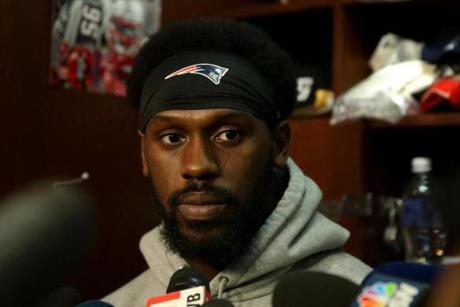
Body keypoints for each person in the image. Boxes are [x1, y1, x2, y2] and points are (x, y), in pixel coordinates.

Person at [104, 17, 370, 306]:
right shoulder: (120, 303)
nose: (197, 166)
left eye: (228, 135)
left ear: (279, 145)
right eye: (172, 138)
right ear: (144, 154)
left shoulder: (360, 296)